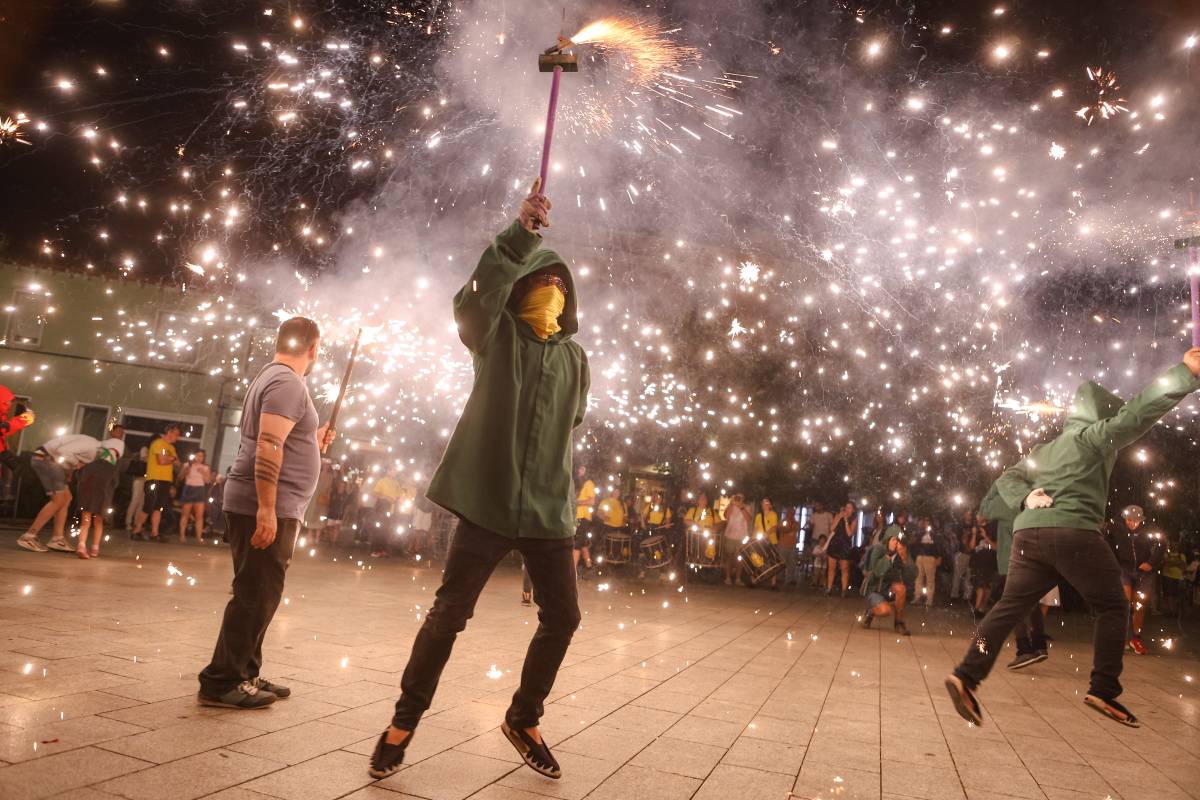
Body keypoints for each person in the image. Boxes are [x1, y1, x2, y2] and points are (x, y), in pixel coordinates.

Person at [370, 178, 588, 782]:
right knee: (449, 613)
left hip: (548, 511)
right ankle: (403, 722)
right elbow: (474, 302)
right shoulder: (496, 340)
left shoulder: (576, 359)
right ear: (517, 291)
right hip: (488, 502)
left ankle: (524, 717)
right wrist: (520, 235)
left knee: (564, 616)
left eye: (559, 283)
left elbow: (572, 418)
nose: (552, 289)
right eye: (541, 280)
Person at [945, 349, 1200, 729]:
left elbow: (1007, 479)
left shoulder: (1043, 450)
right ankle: (1104, 687)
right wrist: (1187, 373)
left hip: (1029, 535)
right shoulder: (1093, 437)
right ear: (1101, 415)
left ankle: (967, 674)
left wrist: (1025, 498)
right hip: (1073, 532)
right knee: (1114, 606)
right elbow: (1140, 413)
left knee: (1007, 609)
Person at [198, 316, 333, 709]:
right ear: (314, 348)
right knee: (254, 594)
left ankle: (246, 671)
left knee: (262, 593)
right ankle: (221, 681)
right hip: (263, 502)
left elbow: (280, 437)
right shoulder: (287, 382)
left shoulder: (274, 378)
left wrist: (312, 437)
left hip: (271, 501)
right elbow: (270, 444)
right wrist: (268, 509)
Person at [979, 480, 1051, 670]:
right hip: (1034, 559)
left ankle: (1024, 648)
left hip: (1012, 561)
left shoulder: (1009, 503)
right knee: (1032, 603)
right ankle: (1040, 644)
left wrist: (997, 484)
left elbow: (984, 508)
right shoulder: (1035, 500)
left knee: (1013, 603)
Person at [18, 432, 107, 552]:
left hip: (45, 457)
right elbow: (64, 451)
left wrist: (69, 471)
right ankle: (29, 536)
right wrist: (75, 465)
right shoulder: (92, 447)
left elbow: (69, 456)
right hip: (44, 457)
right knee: (58, 500)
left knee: (66, 498)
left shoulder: (94, 447)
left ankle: (57, 538)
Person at [1110, 505, 1163, 655]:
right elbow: (1107, 542)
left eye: (1135, 520)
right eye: (1129, 520)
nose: (1132, 523)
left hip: (1144, 572)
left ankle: (1136, 638)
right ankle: (1121, 639)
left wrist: (1151, 563)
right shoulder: (1117, 529)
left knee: (1139, 605)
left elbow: (1161, 545)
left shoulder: (1150, 530)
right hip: (1124, 569)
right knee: (1125, 603)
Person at [75, 425, 126, 559]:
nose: (121, 434)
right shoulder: (104, 445)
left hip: (100, 482)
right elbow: (106, 457)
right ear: (111, 431)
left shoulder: (115, 445)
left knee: (97, 518)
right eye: (118, 430)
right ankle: (82, 546)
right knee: (88, 517)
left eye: (122, 432)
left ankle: (93, 548)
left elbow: (108, 458)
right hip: (99, 481)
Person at [132, 423, 182, 542]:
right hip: (154, 478)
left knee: (158, 507)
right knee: (148, 505)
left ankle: (155, 533)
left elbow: (178, 463)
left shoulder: (171, 448)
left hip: (166, 480)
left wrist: (170, 459)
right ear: (169, 432)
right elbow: (161, 461)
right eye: (176, 434)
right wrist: (171, 459)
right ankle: (136, 530)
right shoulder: (158, 443)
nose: (177, 437)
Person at [861, 527, 915, 635]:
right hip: (875, 589)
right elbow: (876, 571)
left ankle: (899, 623)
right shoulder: (878, 549)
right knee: (885, 611)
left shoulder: (901, 552)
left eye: (898, 540)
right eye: (894, 539)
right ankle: (870, 612)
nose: (897, 543)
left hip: (890, 589)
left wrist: (904, 558)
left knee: (901, 588)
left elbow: (912, 576)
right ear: (888, 539)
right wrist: (889, 554)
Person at [178, 449, 214, 543]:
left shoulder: (206, 467)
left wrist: (203, 473)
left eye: (201, 456)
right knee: (185, 514)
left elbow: (208, 481)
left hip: (200, 490)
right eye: (197, 455)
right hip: (189, 489)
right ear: (194, 456)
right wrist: (186, 471)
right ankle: (182, 536)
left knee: (199, 515)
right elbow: (180, 477)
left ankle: (199, 537)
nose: (199, 458)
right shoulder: (187, 465)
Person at [368, 468, 403, 557]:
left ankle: (383, 550)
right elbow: (374, 493)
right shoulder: (382, 481)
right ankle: (375, 550)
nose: (395, 472)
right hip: (382, 509)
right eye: (393, 470)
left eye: (395, 471)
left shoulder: (396, 483)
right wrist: (385, 497)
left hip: (391, 510)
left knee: (387, 531)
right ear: (388, 471)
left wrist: (399, 499)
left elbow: (399, 495)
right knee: (379, 530)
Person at [825, 501, 858, 597]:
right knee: (831, 568)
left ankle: (844, 590)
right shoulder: (838, 515)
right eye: (846, 507)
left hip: (845, 545)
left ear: (853, 510)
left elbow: (849, 534)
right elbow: (832, 528)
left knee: (844, 568)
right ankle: (829, 588)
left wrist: (846, 521)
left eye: (849, 508)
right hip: (835, 543)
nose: (847, 509)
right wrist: (839, 517)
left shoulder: (854, 520)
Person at [0, 386, 34, 471]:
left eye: (10, 401)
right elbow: (5, 428)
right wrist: (23, 420)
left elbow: (4, 431)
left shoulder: (2, 414)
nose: (10, 404)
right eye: (7, 402)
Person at [910, 516, 942, 607]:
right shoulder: (920, 532)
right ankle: (917, 597)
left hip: (930, 557)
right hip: (920, 556)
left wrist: (939, 557)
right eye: (925, 520)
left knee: (930, 579)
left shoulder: (935, 533)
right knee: (918, 577)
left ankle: (929, 599)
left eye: (928, 520)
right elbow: (915, 543)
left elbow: (939, 545)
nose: (926, 522)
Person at [571, 465, 597, 574]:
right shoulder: (578, 484)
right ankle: (589, 566)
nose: (579, 471)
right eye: (579, 468)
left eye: (582, 469)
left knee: (577, 544)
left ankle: (571, 572)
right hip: (576, 516)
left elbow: (592, 501)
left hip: (583, 517)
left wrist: (576, 502)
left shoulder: (589, 483)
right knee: (582, 544)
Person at [751, 497, 781, 590]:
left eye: (767, 502)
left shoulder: (773, 515)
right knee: (756, 560)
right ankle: (754, 580)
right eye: (763, 502)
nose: (764, 504)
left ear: (770, 505)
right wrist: (752, 539)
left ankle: (773, 583)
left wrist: (766, 534)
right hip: (759, 542)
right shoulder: (758, 516)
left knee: (772, 561)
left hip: (771, 541)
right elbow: (755, 528)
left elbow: (774, 527)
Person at [722, 492, 751, 586]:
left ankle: (738, 579)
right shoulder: (731, 506)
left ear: (744, 498)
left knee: (740, 559)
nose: (738, 499)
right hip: (730, 536)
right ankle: (728, 578)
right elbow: (726, 516)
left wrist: (741, 507)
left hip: (741, 537)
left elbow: (749, 519)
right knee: (729, 557)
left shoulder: (746, 507)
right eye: (737, 497)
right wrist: (731, 504)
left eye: (740, 497)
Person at [970, 525, 998, 616]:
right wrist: (974, 535)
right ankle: (977, 609)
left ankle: (980, 609)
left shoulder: (994, 539)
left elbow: (995, 548)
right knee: (980, 587)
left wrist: (986, 537)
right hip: (978, 566)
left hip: (989, 567)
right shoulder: (978, 539)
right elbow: (971, 547)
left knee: (986, 589)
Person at [951, 509, 976, 601]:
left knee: (969, 576)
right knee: (957, 575)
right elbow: (961, 540)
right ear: (964, 514)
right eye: (967, 514)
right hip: (962, 553)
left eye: (970, 514)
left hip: (972, 554)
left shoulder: (974, 526)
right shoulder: (960, 526)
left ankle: (967, 597)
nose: (969, 516)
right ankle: (954, 596)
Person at [123, 446, 148, 530]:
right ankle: (128, 522)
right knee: (135, 501)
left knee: (141, 503)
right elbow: (144, 458)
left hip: (145, 480)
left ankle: (136, 522)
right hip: (139, 479)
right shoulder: (145, 449)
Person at [777, 505, 799, 587]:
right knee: (782, 562)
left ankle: (790, 579)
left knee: (792, 563)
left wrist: (789, 528)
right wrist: (789, 529)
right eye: (790, 512)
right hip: (783, 545)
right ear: (787, 513)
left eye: (793, 513)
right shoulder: (783, 521)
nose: (791, 514)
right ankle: (779, 578)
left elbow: (796, 528)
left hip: (792, 546)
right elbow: (782, 529)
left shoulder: (796, 522)